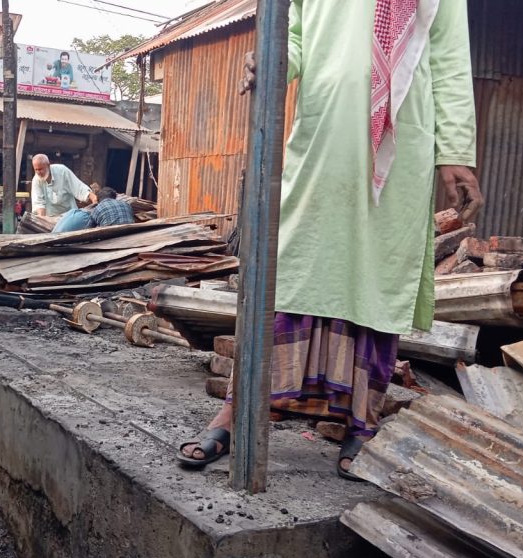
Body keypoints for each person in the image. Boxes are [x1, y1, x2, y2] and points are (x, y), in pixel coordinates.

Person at [176, 0, 484, 480]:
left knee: (376, 277)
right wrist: (273, 60)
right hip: (324, 129)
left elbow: (448, 58)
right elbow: (293, 33)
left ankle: (362, 422)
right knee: (293, 267)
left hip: (402, 138)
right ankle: (238, 414)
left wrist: (455, 149)